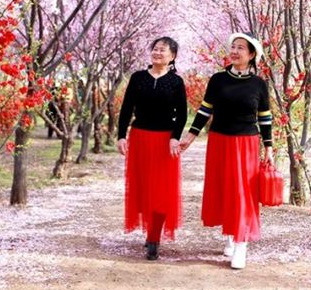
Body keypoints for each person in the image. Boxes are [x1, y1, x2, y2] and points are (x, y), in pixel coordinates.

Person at [180, 32, 273, 270]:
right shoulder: (218, 80)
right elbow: (205, 110)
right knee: (224, 189)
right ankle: (231, 234)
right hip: (219, 141)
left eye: (240, 48)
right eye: (233, 46)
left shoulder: (259, 84)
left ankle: (241, 243)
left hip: (246, 143)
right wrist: (190, 136)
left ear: (251, 54)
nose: (234, 51)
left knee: (243, 192)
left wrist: (269, 148)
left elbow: (265, 118)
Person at [117, 37, 187, 261]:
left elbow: (182, 114)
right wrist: (121, 135)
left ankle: (154, 238)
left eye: (162, 50)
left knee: (161, 191)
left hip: (165, 142)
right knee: (143, 187)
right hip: (140, 138)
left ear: (172, 56)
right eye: (155, 49)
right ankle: (150, 233)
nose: (157, 53)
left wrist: (175, 138)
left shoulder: (176, 82)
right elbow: (127, 108)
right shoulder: (138, 78)